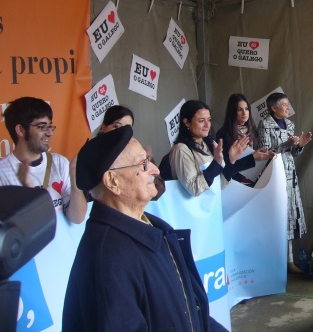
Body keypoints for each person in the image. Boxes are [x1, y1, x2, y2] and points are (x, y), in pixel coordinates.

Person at [62, 125, 227, 332]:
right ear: (113, 182)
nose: (155, 170)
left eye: (149, 161)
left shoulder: (155, 228)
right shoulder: (109, 258)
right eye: (142, 164)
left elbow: (192, 314)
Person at [0, 97, 87, 223]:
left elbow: (77, 219)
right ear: (20, 130)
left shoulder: (60, 163)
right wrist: (28, 190)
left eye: (50, 126)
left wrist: (75, 180)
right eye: (42, 127)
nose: (49, 133)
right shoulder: (3, 172)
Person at [258, 92, 312, 274]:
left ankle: (290, 260)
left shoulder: (289, 124)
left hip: (290, 174)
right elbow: (265, 152)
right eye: (285, 105)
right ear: (274, 108)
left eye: (288, 104)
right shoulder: (265, 124)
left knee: (289, 217)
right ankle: (273, 262)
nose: (288, 108)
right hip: (274, 174)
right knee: (275, 216)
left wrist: (299, 145)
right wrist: (287, 145)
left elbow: (293, 154)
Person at [170, 100, 248, 196]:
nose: (207, 125)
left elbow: (221, 185)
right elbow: (193, 188)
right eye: (201, 121)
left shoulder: (209, 143)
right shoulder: (181, 149)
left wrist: (231, 161)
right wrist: (215, 163)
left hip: (213, 208)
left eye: (209, 120)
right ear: (187, 122)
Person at [216, 94, 275, 187]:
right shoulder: (224, 133)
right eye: (239, 109)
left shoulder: (253, 131)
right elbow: (226, 165)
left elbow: (257, 155)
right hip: (233, 183)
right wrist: (252, 158)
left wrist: (266, 156)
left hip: (255, 180)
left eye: (246, 109)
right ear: (232, 111)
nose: (244, 113)